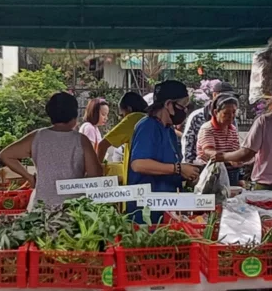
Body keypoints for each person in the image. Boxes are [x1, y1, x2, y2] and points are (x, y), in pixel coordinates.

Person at [0, 92, 102, 291]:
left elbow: (6, 154)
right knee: (74, 264)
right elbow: (96, 175)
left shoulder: (38, 137)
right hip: (73, 213)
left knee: (44, 264)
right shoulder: (80, 141)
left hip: (43, 211)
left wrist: (30, 177)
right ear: (74, 117)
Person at [128, 80, 201, 224]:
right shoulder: (147, 127)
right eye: (183, 106)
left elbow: (171, 165)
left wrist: (188, 174)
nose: (185, 111)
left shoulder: (169, 130)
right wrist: (178, 169)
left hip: (167, 208)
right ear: (169, 105)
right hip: (147, 213)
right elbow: (138, 164)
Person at [96, 92, 148, 183]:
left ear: (129, 109)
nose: (122, 118)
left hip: (136, 180)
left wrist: (96, 174)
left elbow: (102, 145)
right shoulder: (152, 119)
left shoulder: (132, 119)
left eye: (122, 114)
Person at [182, 80, 236, 164]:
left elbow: (234, 148)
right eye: (225, 97)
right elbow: (188, 145)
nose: (228, 100)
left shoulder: (231, 119)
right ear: (214, 95)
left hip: (227, 168)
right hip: (201, 167)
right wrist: (189, 166)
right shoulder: (197, 116)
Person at [196, 93, 243, 185]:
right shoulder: (207, 128)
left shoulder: (232, 129)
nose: (231, 116)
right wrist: (229, 158)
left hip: (230, 172)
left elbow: (236, 152)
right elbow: (209, 151)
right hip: (210, 172)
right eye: (226, 113)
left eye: (234, 112)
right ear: (215, 112)